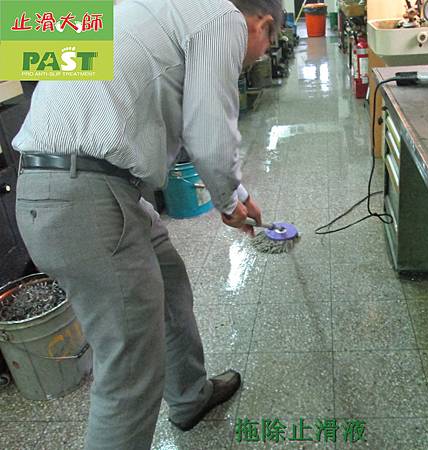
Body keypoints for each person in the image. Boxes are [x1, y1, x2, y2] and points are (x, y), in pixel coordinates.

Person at [12, 0, 282, 448]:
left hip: (71, 186)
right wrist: (227, 203)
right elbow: (209, 136)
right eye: (267, 46)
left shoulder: (154, 8)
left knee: (169, 281)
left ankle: (190, 396)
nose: (257, 57)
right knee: (129, 371)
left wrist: (237, 192)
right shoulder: (223, 17)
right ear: (263, 24)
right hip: (88, 198)